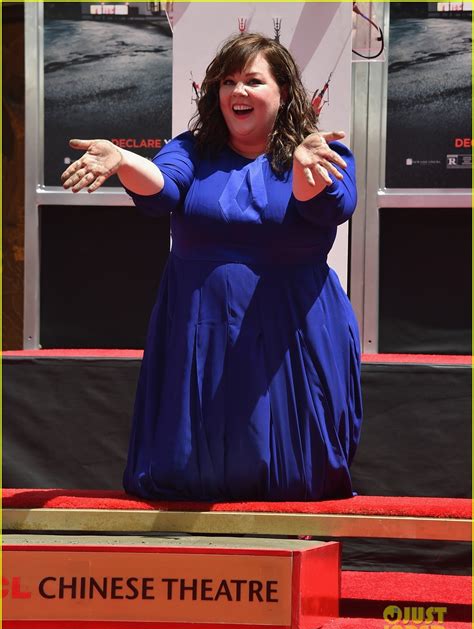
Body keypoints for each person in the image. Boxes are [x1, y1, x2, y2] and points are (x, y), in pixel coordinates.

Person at [61, 33, 362, 502]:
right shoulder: (193, 150)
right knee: (195, 468)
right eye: (227, 81)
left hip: (292, 329)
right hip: (203, 324)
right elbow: (162, 189)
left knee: (294, 470)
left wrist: (304, 165)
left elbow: (327, 207)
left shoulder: (322, 153)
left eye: (252, 81)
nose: (237, 91)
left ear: (283, 92)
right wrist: (123, 162)